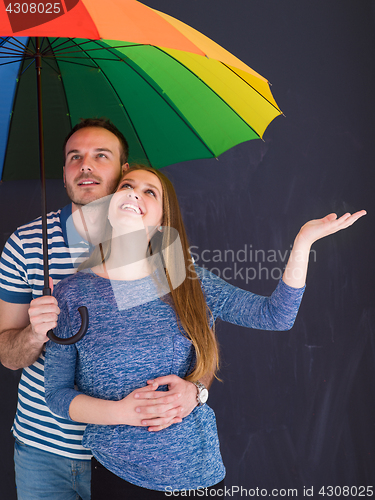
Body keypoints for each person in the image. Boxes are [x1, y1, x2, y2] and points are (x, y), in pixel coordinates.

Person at [43, 164, 366, 498]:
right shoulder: (72, 294)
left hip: (199, 473)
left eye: (149, 191)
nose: (133, 193)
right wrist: (122, 412)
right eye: (126, 186)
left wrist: (304, 241)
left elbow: (276, 315)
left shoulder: (189, 281)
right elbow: (57, 394)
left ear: (161, 221)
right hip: (120, 475)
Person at [0, 122, 210, 500]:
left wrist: (196, 392)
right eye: (74, 158)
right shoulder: (26, 244)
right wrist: (34, 332)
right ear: (64, 174)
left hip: (136, 458)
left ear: (124, 172)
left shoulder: (160, 247)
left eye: (101, 156)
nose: (86, 166)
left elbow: (195, 343)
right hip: (44, 454)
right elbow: (7, 354)